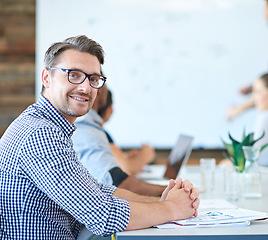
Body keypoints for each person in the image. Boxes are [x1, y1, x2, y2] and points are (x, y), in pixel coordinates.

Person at [0, 35, 199, 239]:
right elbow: (101, 216)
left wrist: (160, 202)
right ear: (46, 78)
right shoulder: (40, 134)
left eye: (93, 79)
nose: (85, 88)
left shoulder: (49, 126)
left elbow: (97, 189)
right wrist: (172, 208)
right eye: (74, 75)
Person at [72, 85, 166, 197]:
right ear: (109, 111)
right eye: (96, 80)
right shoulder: (88, 131)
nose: (101, 88)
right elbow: (119, 178)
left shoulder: (88, 129)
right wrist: (146, 156)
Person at [97, 88, 155, 175]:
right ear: (109, 111)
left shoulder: (96, 132)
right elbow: (124, 170)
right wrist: (146, 156)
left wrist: (127, 158)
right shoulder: (99, 134)